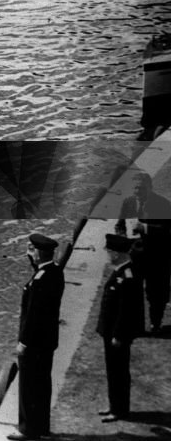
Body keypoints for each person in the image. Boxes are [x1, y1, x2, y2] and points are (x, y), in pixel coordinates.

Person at [9, 233, 65, 441]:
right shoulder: (54, 272)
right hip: (47, 341)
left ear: (38, 253)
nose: (27, 253)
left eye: (30, 249)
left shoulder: (41, 279)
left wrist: (23, 342)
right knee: (42, 385)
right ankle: (41, 427)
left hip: (34, 343)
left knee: (29, 386)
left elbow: (33, 314)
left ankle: (27, 429)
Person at [97, 233, 145, 423]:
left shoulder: (127, 275)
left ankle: (119, 410)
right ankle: (114, 406)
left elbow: (126, 311)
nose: (107, 255)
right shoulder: (122, 271)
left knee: (118, 372)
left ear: (115, 253)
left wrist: (118, 334)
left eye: (108, 251)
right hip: (111, 333)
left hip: (117, 335)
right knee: (113, 371)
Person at [115, 172, 171, 332]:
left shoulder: (163, 204)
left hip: (157, 257)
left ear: (150, 188)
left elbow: (167, 230)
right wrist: (123, 238)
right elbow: (119, 225)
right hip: (134, 256)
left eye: (141, 188)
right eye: (135, 188)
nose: (137, 192)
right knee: (132, 290)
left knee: (156, 293)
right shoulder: (128, 202)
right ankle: (135, 325)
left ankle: (155, 323)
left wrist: (145, 228)